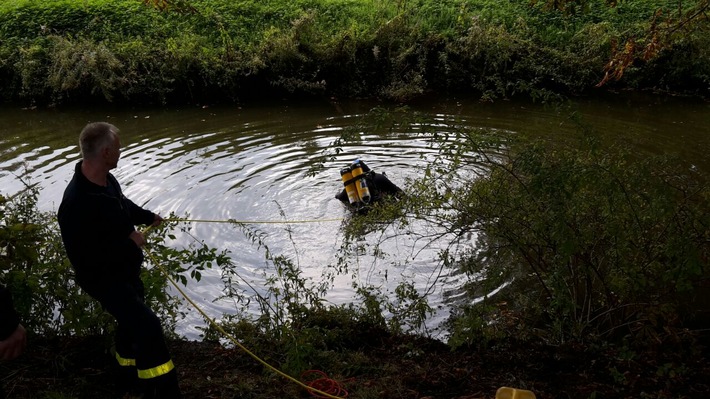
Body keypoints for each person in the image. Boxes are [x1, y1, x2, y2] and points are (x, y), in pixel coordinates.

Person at [57, 122, 180, 398]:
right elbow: (89, 261)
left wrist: (148, 217)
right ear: (106, 152)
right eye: (119, 148)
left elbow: (122, 206)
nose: (122, 151)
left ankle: (126, 381)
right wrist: (131, 244)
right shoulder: (76, 204)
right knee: (148, 326)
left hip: (124, 271)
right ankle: (161, 390)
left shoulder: (106, 180)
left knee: (130, 324)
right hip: (103, 280)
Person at [335, 159, 403, 210]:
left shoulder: (352, 186)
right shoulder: (379, 177)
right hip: (381, 209)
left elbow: (340, 197)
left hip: (363, 213)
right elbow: (400, 194)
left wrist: (338, 193)